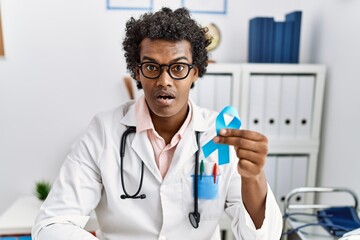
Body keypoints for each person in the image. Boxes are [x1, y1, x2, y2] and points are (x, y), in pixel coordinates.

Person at [32, 7, 282, 240]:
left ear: (195, 72)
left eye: (178, 67)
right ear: (138, 71)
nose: (165, 80)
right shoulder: (104, 131)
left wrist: (254, 178)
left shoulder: (218, 135)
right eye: (152, 67)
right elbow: (52, 224)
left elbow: (262, 237)